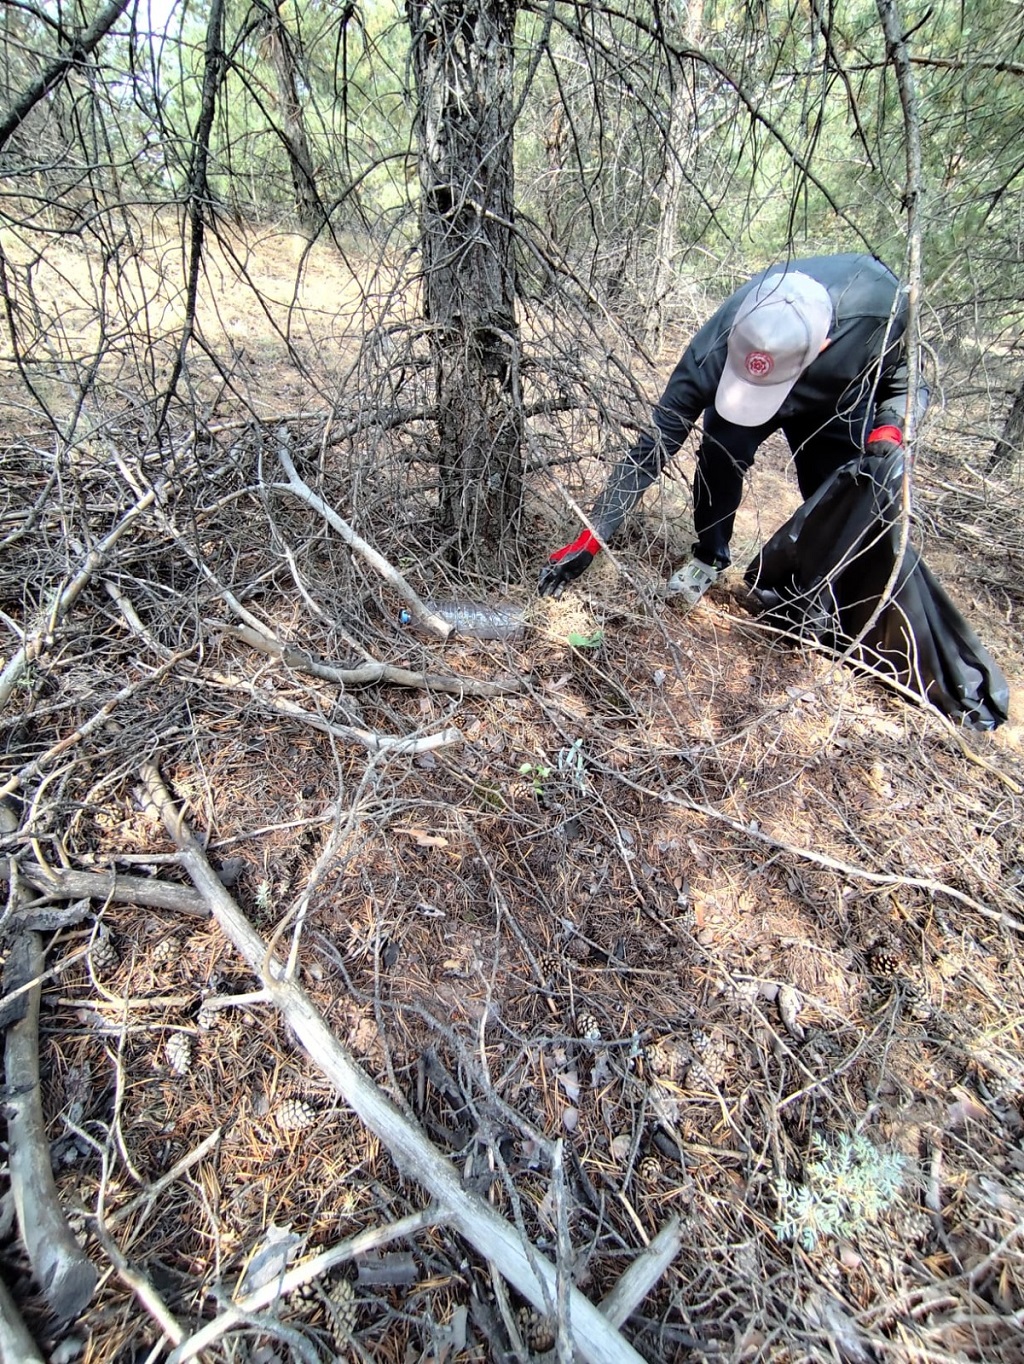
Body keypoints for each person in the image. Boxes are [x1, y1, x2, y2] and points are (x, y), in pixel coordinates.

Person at [537, 253, 928, 603]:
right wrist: (592, 536)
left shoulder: (877, 311)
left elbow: (905, 382)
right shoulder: (716, 346)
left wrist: (890, 427)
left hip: (834, 398)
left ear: (822, 346)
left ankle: (819, 589)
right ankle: (708, 558)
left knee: (838, 488)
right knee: (720, 452)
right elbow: (652, 446)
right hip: (741, 388)